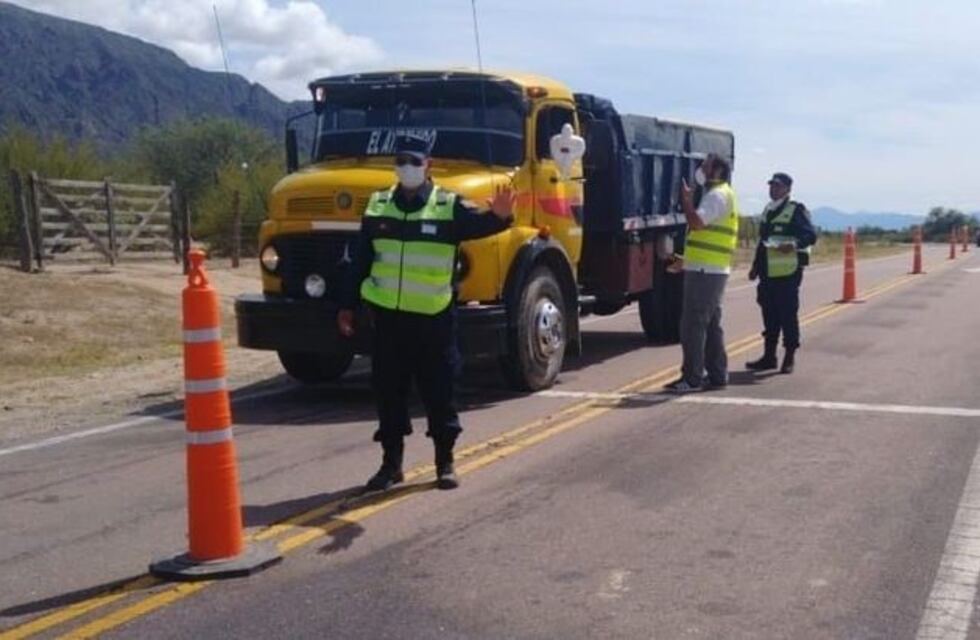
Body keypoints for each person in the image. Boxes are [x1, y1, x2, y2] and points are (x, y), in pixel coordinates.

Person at [338, 133, 514, 491]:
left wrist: (501, 217)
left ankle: (444, 462)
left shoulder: (448, 205)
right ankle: (391, 465)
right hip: (387, 319)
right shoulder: (377, 205)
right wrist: (347, 305)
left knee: (440, 390)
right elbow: (361, 261)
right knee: (388, 392)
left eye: (414, 162)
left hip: (433, 320)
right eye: (401, 161)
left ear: (427, 165)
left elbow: (484, 224)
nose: (407, 168)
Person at [665, 153, 740, 392]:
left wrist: (686, 200)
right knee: (711, 324)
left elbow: (697, 222)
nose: (702, 169)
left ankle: (692, 377)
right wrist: (686, 261)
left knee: (693, 324)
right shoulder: (720, 194)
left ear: (717, 170)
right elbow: (706, 237)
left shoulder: (716, 196)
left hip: (707, 272)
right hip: (708, 268)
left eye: (706, 166)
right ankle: (717, 374)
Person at [745, 172, 817, 374]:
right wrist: (755, 267)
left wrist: (791, 245)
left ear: (787, 189)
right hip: (768, 272)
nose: (773, 189)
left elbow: (810, 235)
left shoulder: (796, 210)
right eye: (771, 186)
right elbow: (763, 242)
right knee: (769, 313)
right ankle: (769, 356)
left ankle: (789, 356)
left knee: (787, 314)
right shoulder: (768, 210)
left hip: (788, 272)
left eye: (777, 186)